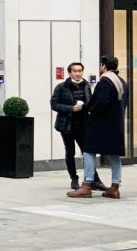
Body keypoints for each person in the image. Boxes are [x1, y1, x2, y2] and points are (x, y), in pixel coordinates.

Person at [67, 56, 127, 199]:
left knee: (88, 151)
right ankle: (115, 187)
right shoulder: (122, 82)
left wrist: (88, 109)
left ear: (103, 66)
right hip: (116, 124)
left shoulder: (105, 82)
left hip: (100, 125)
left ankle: (86, 185)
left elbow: (100, 103)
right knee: (114, 155)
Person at [50, 61, 103, 192]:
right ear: (70, 73)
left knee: (88, 153)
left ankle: (94, 179)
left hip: (83, 125)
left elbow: (89, 102)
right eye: (75, 71)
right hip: (67, 126)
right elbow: (54, 104)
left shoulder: (86, 86)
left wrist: (86, 107)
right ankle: (74, 179)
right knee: (70, 152)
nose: (78, 73)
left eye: (80, 71)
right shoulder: (61, 87)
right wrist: (71, 108)